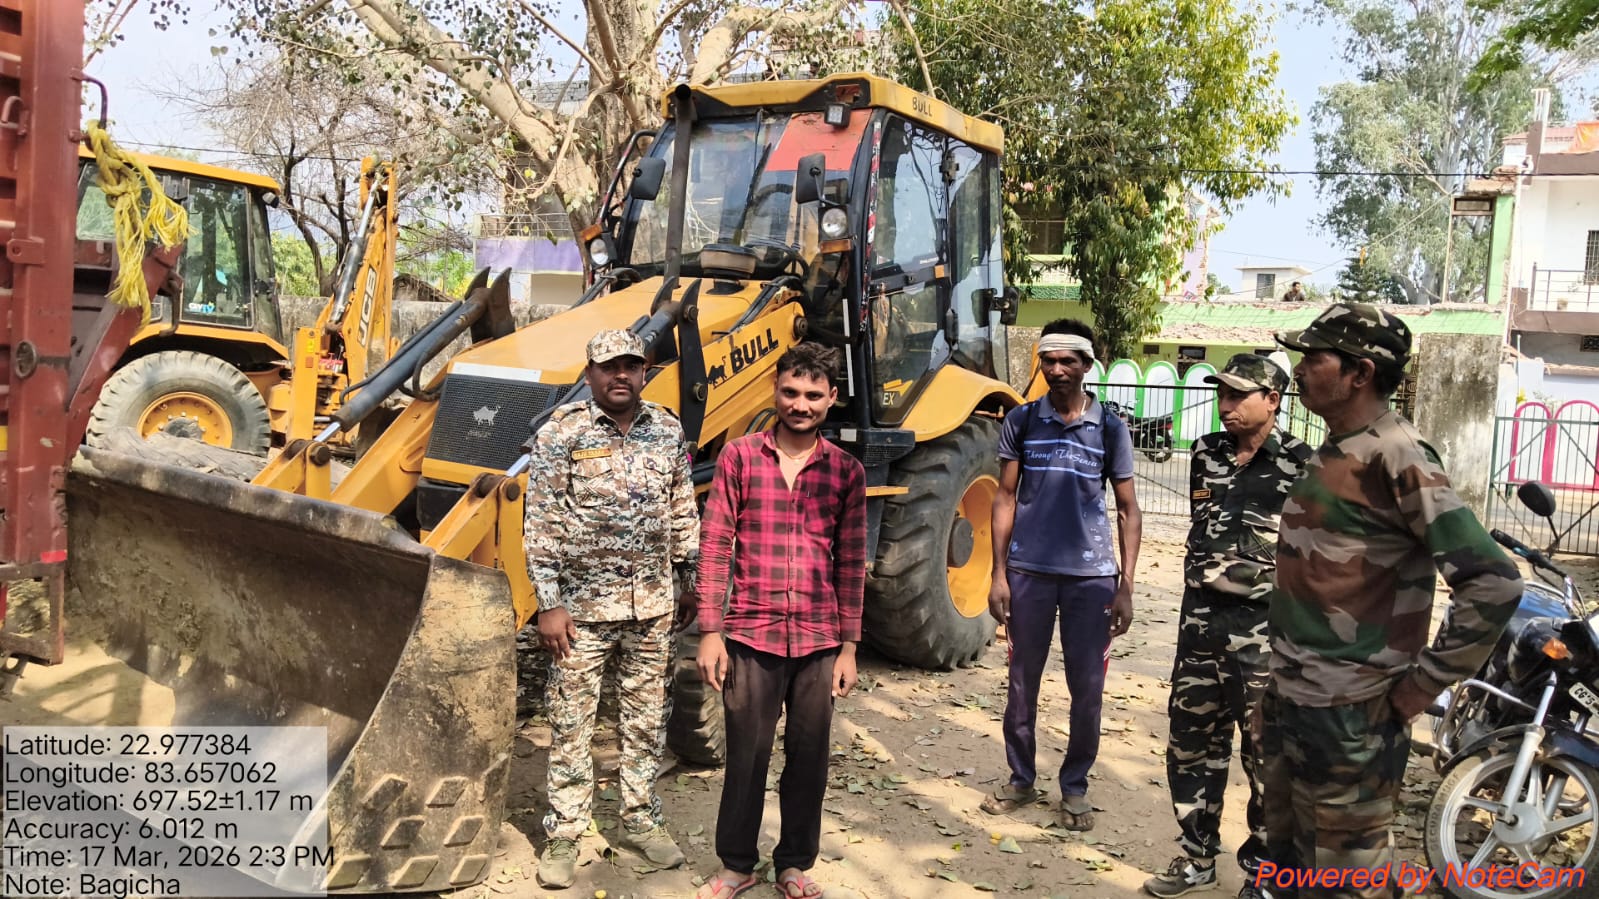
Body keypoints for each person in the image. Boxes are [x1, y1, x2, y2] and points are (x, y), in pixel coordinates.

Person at [1261, 303, 1523, 898]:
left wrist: (1424, 683)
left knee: (1348, 883)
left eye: (1314, 357)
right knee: (1292, 867)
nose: (1299, 369)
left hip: (1354, 714)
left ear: (1360, 372)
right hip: (1296, 700)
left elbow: (1495, 582)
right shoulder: (1334, 448)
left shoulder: (1397, 454)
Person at [523, 329, 699, 890]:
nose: (619, 376)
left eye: (630, 365)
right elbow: (541, 522)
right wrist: (548, 605)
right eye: (607, 367)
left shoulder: (667, 429)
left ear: (644, 370)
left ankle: (640, 818)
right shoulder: (562, 432)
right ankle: (565, 831)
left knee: (646, 720)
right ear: (591, 371)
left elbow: (681, 507)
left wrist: (689, 579)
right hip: (580, 611)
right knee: (571, 722)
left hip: (652, 607)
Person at [693, 342, 866, 899]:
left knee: (810, 757)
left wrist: (849, 648)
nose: (800, 404)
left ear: (832, 399)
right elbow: (716, 545)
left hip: (818, 639)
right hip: (750, 633)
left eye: (814, 395)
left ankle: (793, 863)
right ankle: (737, 865)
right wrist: (711, 632)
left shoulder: (845, 471)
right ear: (775, 389)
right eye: (791, 392)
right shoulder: (740, 458)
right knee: (747, 753)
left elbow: (852, 564)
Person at [1145, 353, 1310, 899]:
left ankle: (1263, 874)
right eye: (1223, 393)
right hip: (1199, 630)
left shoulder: (1303, 465)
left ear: (1274, 400)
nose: (1228, 404)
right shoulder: (1205, 453)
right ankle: (1196, 858)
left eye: (1241, 395)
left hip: (1263, 637)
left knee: (1264, 757)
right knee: (1190, 746)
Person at [984, 318, 1142, 831]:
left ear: (1087, 364)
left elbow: (1127, 509)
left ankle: (1074, 787)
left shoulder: (1111, 428)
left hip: (1091, 579)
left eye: (1067, 361)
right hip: (1028, 574)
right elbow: (1004, 497)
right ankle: (1021, 780)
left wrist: (1126, 585)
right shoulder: (1023, 421)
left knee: (1087, 686)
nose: (1056, 370)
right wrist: (997, 574)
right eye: (1047, 360)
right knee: (1021, 682)